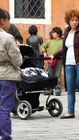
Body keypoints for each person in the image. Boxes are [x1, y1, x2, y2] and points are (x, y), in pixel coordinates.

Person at [0, 8, 23, 140]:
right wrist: (18, 49)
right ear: (2, 21)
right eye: (9, 20)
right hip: (6, 77)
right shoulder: (8, 38)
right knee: (4, 109)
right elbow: (18, 61)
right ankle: (5, 136)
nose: (10, 24)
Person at [41, 27, 63, 96]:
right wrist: (44, 52)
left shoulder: (62, 41)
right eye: (52, 32)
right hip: (51, 60)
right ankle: (48, 89)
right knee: (49, 74)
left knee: (57, 75)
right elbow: (42, 46)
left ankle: (57, 89)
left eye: (54, 32)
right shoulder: (50, 41)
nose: (52, 34)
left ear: (58, 34)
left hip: (59, 60)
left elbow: (63, 50)